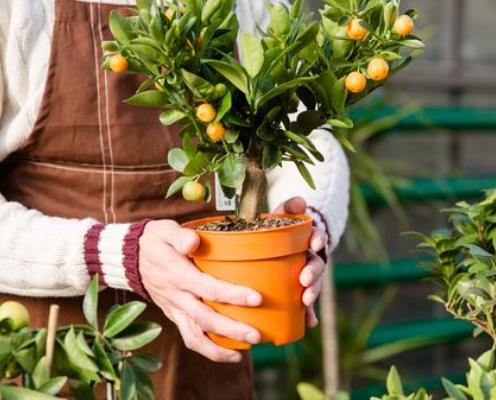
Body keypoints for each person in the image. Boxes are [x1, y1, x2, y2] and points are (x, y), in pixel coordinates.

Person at [0, 0, 350, 398]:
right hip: (51, 363)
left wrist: (308, 229)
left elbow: (308, 133)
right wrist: (118, 253)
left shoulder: (250, 7)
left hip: (208, 370)